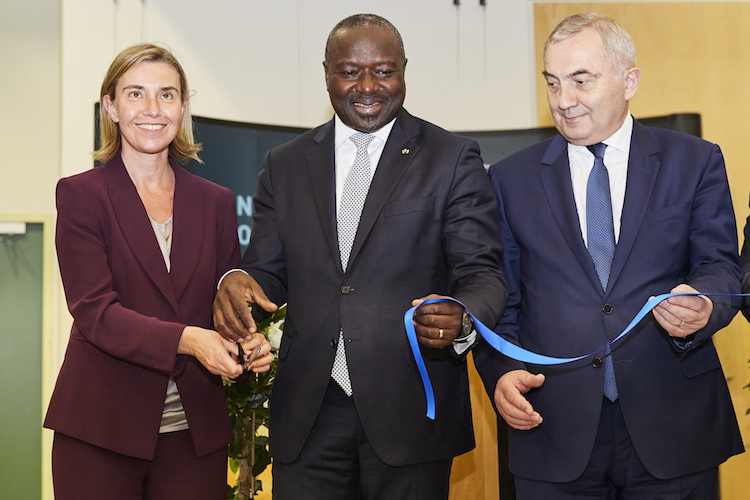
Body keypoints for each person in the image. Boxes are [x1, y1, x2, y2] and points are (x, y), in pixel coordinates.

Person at [212, 13, 507, 500]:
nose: (368, 86)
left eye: (384, 70)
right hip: (309, 415)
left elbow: (483, 273)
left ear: (405, 70)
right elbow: (267, 271)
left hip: (413, 413)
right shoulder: (284, 164)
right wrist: (236, 277)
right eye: (350, 71)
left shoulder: (451, 157)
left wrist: (464, 315)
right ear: (327, 72)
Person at [473, 12, 744, 499]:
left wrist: (705, 305)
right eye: (552, 83)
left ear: (629, 80)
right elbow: (500, 297)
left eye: (581, 80)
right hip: (551, 428)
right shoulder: (509, 179)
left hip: (673, 422)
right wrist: (499, 373)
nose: (564, 100)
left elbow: (721, 266)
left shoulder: (695, 161)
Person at [44, 43, 273, 500]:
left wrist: (246, 345)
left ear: (183, 106)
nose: (152, 109)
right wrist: (190, 340)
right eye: (135, 94)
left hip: (195, 437)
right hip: (100, 431)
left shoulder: (216, 202)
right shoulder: (81, 196)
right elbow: (96, 314)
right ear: (110, 106)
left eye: (167, 95)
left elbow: (221, 309)